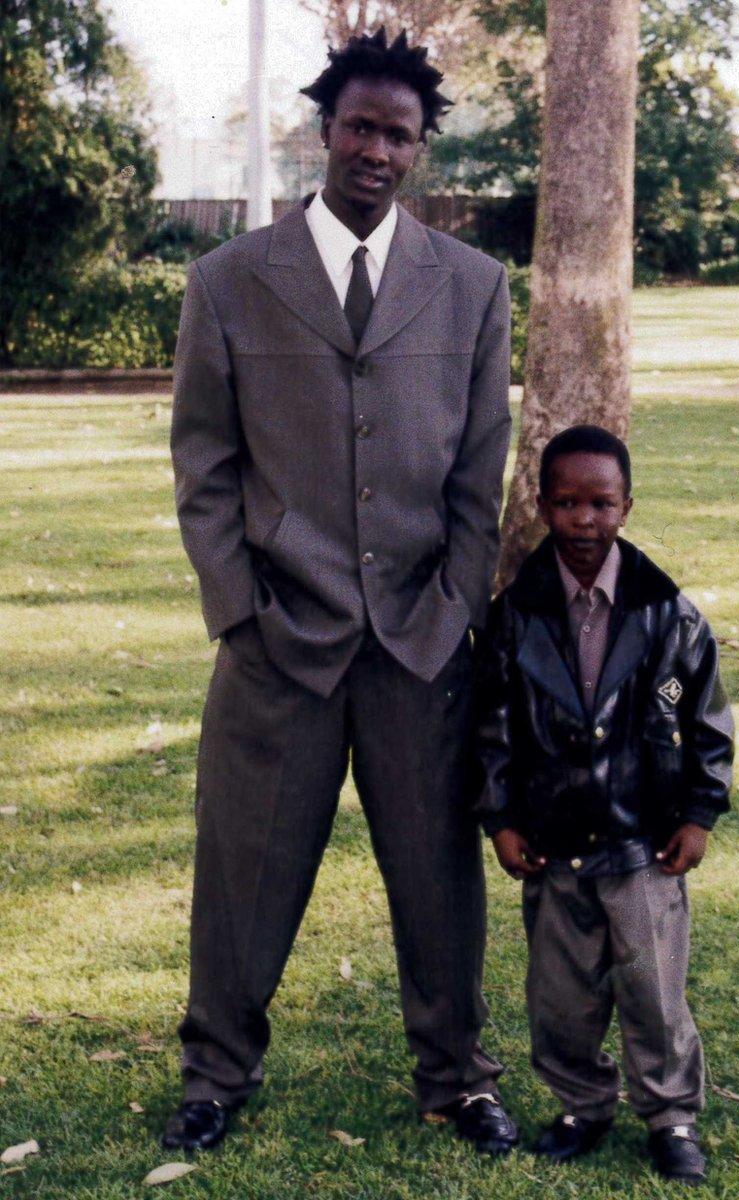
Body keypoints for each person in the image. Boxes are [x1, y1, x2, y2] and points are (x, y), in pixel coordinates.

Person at [164, 28, 516, 1155]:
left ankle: (456, 1077)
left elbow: (480, 470)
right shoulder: (229, 283)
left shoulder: (469, 287)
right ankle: (215, 1075)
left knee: (438, 881)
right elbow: (204, 469)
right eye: (360, 126)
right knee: (241, 876)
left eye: (398, 135)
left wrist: (456, 605)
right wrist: (240, 613)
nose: (376, 149)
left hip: (420, 644)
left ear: (419, 150)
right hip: (279, 646)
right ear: (326, 129)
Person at [474, 425, 734, 1186]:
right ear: (542, 504)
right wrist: (502, 816)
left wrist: (698, 812)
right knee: (560, 996)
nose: (583, 520)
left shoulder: (668, 616)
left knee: (653, 989)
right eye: (566, 503)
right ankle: (582, 1104)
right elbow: (490, 729)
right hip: (554, 842)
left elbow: (703, 719)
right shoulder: (514, 614)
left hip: (642, 844)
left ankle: (671, 1115)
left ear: (626, 506)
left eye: (601, 503)